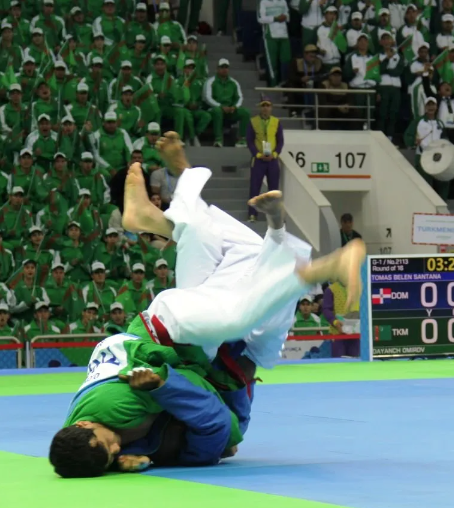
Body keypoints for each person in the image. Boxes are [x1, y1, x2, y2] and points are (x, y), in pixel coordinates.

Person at [50, 133, 365, 476]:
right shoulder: (86, 417)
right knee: (224, 243)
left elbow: (195, 392)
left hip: (171, 333)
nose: (115, 448)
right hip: (174, 324)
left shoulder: (114, 408)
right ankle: (166, 200)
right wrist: (128, 454)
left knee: (237, 318)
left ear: (83, 427)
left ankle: (323, 268)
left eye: (107, 445)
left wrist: (164, 391)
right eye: (112, 453)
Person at [245, 98, 283, 221]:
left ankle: (273, 216)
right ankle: (252, 214)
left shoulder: (276, 122)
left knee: (274, 189)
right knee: (255, 187)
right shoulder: (253, 121)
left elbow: (280, 141)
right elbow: (250, 141)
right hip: (258, 160)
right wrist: (257, 154)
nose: (265, 108)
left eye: (268, 106)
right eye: (263, 106)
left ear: (271, 107)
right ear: (260, 107)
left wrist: (275, 154)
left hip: (272, 160)